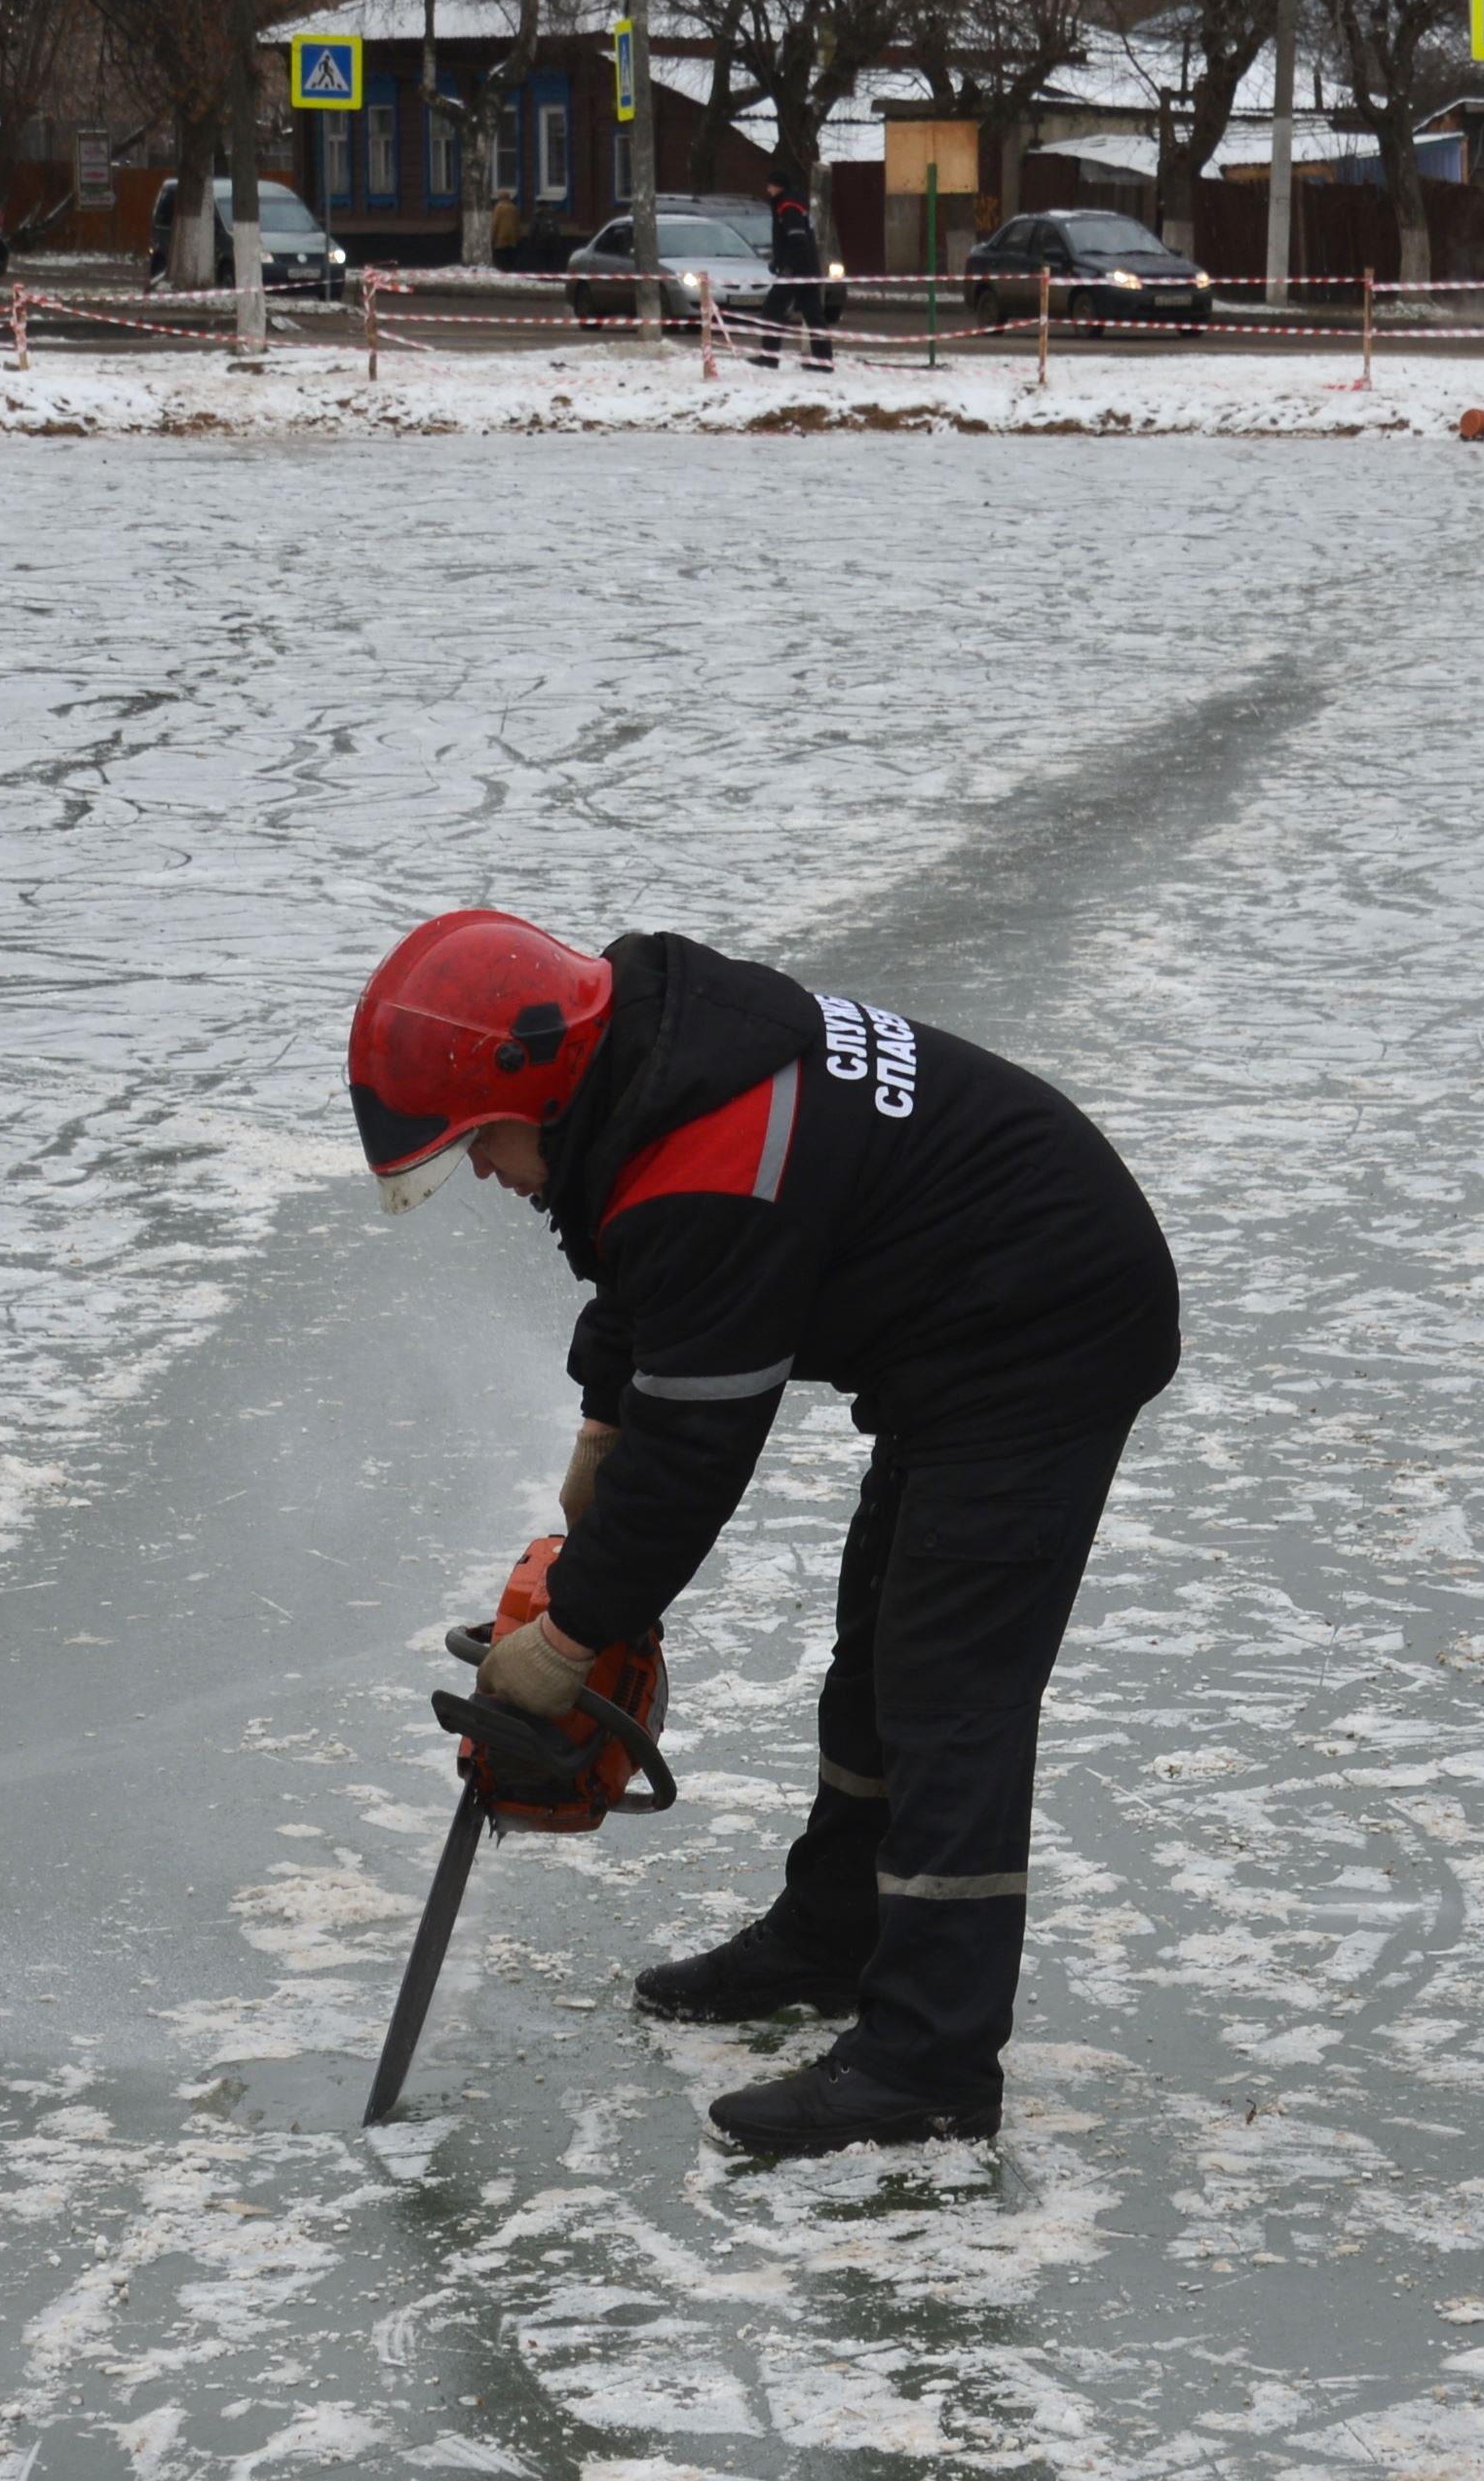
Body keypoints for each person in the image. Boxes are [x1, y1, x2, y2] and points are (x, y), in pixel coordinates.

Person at [348, 909, 1176, 2159]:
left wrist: (571, 1634)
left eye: (476, 1141)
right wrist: (599, 1422)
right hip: (959, 1325)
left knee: (948, 1692)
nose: (475, 1171)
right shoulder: (655, 1058)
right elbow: (639, 1266)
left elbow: (696, 1454)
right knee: (878, 1646)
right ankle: (834, 1933)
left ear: (535, 1081)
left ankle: (928, 2066)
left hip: (1042, 1327)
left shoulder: (708, 1145)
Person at [760, 172, 835, 372]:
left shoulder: (788, 207)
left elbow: (797, 240)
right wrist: (778, 261)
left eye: (770, 185)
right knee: (813, 315)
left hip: (796, 271)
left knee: (772, 309)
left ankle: (769, 357)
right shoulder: (793, 203)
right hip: (807, 269)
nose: (768, 189)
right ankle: (824, 360)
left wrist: (788, 267)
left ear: (778, 187)